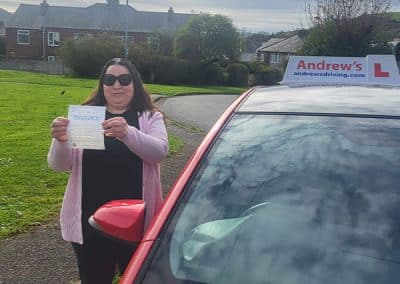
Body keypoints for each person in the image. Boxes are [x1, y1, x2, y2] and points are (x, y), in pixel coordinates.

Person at [47, 58, 169, 284]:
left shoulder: (150, 116)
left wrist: (127, 133)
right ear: (102, 84)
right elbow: (59, 165)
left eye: (124, 79)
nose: (117, 85)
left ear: (135, 84)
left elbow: (159, 152)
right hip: (90, 223)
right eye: (109, 79)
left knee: (136, 279)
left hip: (136, 226)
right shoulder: (86, 115)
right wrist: (61, 141)